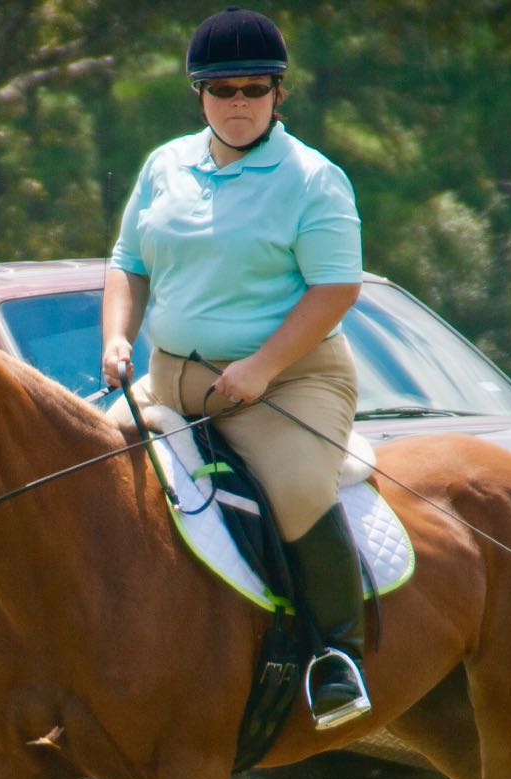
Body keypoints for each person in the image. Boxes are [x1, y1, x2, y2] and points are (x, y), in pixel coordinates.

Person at [101, 6, 371, 728]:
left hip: (287, 381)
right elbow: (127, 263)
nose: (240, 103)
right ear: (200, 95)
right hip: (168, 377)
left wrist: (260, 366)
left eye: (256, 88)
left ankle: (337, 655)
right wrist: (115, 337)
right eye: (224, 90)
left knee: (294, 489)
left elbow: (336, 288)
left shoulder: (313, 179)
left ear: (281, 93)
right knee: (76, 481)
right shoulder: (165, 166)